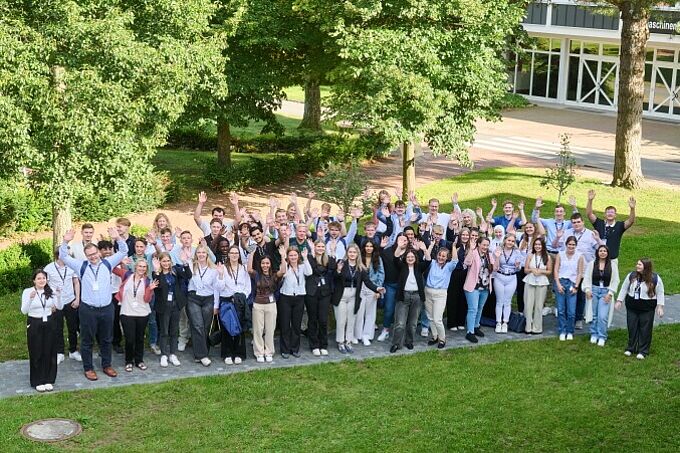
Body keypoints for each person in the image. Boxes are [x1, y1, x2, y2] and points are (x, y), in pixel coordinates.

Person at [59, 227, 128, 381]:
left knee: (106, 339)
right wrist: (65, 241)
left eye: (95, 253)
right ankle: (88, 368)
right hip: (88, 310)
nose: (93, 257)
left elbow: (124, 251)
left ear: (99, 252)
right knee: (87, 340)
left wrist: (117, 238)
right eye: (90, 255)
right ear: (86, 256)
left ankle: (107, 365)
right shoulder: (81, 266)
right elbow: (63, 256)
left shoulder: (108, 263)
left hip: (107, 308)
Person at [332, 243, 383, 353]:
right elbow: (334, 278)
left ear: (357, 254)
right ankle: (340, 342)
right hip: (341, 295)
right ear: (347, 253)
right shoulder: (341, 263)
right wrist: (338, 271)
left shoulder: (360, 267)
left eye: (354, 252)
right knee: (341, 320)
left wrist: (377, 288)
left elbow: (367, 282)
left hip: (354, 296)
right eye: (350, 252)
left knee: (351, 319)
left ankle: (348, 341)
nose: (352, 254)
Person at [22, 269, 63, 392]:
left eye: (44, 278)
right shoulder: (28, 291)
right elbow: (24, 311)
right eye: (39, 278)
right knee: (36, 351)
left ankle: (48, 379)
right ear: (34, 280)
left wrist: (59, 296)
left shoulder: (50, 291)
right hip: (35, 323)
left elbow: (59, 306)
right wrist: (30, 298)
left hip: (49, 323)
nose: (41, 280)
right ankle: (37, 380)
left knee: (49, 351)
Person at [113, 260, 158, 372]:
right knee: (129, 339)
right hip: (127, 312)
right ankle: (128, 361)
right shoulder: (126, 274)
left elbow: (146, 299)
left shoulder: (147, 281)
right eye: (140, 266)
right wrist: (120, 261)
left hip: (142, 313)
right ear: (135, 266)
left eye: (144, 267)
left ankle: (139, 360)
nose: (142, 268)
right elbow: (111, 267)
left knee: (139, 338)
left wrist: (150, 289)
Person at [615, 258, 665, 359]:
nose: (637, 266)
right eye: (637, 264)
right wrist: (619, 301)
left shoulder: (655, 278)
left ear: (646, 267)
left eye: (639, 264)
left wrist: (660, 307)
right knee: (632, 327)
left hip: (647, 307)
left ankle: (643, 350)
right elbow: (624, 288)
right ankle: (631, 348)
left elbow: (660, 293)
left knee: (645, 329)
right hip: (632, 306)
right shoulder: (632, 276)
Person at [152, 252, 192, 367]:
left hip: (175, 304)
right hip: (163, 306)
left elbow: (188, 275)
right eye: (164, 261)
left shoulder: (175, 270)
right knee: (164, 331)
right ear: (160, 262)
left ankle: (173, 354)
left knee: (174, 331)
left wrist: (185, 263)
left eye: (168, 261)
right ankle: (164, 354)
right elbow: (158, 286)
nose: (166, 263)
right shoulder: (156, 273)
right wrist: (157, 271)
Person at [187, 245, 224, 366]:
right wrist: (185, 261)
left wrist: (216, 305)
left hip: (208, 299)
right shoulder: (191, 266)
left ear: (207, 254)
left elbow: (218, 288)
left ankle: (200, 354)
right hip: (193, 298)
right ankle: (203, 355)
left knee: (205, 327)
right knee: (197, 325)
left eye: (203, 252)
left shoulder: (214, 269)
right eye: (199, 252)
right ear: (196, 254)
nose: (201, 254)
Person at [390, 237, 428, 353]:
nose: (410, 259)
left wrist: (424, 250)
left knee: (412, 323)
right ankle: (396, 343)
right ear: (405, 258)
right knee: (400, 323)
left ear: (415, 258)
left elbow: (428, 261)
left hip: (417, 297)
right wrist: (399, 246)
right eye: (408, 257)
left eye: (412, 257)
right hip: (403, 296)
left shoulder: (419, 267)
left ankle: (409, 341)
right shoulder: (402, 267)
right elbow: (395, 258)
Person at [586, 190, 636, 276]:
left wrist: (632, 209)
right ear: (604, 214)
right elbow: (589, 214)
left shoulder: (619, 226)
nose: (610, 214)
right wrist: (590, 200)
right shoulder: (599, 223)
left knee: (612, 280)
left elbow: (631, 221)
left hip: (612, 260)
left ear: (615, 215)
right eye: (608, 212)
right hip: (598, 259)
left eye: (612, 212)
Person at [215, 245, 251, 365]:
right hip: (227, 301)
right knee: (227, 328)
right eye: (232, 253)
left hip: (240, 301)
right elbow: (219, 288)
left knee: (239, 328)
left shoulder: (243, 268)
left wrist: (242, 296)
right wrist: (221, 275)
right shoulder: (223, 268)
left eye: (236, 253)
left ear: (239, 255)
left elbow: (248, 286)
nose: (234, 255)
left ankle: (239, 353)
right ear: (228, 255)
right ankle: (227, 354)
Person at [44, 249, 81, 363]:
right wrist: (50, 302)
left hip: (70, 300)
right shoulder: (49, 268)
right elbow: (45, 286)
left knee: (73, 327)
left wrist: (77, 298)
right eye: (65, 255)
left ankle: (73, 350)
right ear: (58, 255)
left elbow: (76, 282)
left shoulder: (72, 266)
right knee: (57, 328)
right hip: (56, 302)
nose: (68, 257)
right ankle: (59, 352)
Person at [277, 246, 313, 358]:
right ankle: (285, 349)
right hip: (286, 298)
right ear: (288, 256)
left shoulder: (302, 266)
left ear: (298, 256)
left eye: (295, 255)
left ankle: (295, 348)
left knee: (296, 325)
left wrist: (305, 258)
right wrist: (283, 257)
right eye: (291, 255)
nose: (293, 257)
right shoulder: (285, 266)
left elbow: (309, 272)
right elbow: (283, 273)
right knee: (285, 325)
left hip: (299, 297)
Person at [583, 245, 620, 347]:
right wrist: (587, 290)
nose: (602, 253)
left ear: (607, 253)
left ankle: (602, 336)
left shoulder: (612, 265)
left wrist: (610, 293)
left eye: (604, 251)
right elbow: (587, 277)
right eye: (600, 251)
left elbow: (615, 280)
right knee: (593, 314)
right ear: (597, 253)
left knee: (602, 316)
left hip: (605, 292)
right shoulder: (592, 264)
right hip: (594, 290)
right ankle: (594, 333)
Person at [463, 236, 498, 343]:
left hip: (485, 287)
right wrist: (471, 250)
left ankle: (476, 326)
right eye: (483, 245)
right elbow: (467, 263)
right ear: (478, 244)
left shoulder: (489, 255)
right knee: (473, 309)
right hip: (473, 286)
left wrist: (497, 258)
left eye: (487, 245)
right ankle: (470, 332)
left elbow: (495, 269)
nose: (485, 247)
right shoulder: (474, 253)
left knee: (480, 308)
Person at [423, 241, 457, 348]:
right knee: (430, 317)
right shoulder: (432, 263)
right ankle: (435, 336)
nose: (441, 258)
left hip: (440, 294)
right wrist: (431, 245)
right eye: (439, 255)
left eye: (443, 256)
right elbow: (426, 256)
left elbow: (455, 260)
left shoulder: (448, 267)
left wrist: (454, 246)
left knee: (437, 319)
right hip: (428, 291)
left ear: (447, 258)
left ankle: (442, 339)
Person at [304, 240, 336, 356]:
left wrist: (332, 251)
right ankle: (314, 345)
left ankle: (323, 344)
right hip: (312, 292)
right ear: (314, 247)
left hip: (325, 293)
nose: (321, 248)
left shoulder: (328, 258)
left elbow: (332, 267)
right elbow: (313, 270)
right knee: (312, 319)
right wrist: (312, 252)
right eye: (318, 246)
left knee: (323, 320)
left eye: (322, 246)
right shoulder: (309, 258)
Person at [247, 253, 279, 362]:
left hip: (271, 305)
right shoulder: (256, 274)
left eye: (267, 263)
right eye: (263, 263)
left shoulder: (274, 275)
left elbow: (283, 271)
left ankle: (269, 351)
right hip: (258, 304)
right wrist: (251, 254)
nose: (265, 265)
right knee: (257, 330)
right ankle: (259, 352)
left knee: (270, 329)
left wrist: (283, 256)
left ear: (270, 264)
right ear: (260, 264)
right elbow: (249, 269)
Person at [553, 236, 585, 341]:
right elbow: (556, 270)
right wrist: (558, 284)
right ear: (566, 244)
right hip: (561, 281)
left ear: (576, 245)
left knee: (571, 311)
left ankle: (570, 331)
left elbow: (580, 272)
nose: (571, 246)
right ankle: (562, 330)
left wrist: (576, 286)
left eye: (573, 245)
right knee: (561, 309)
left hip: (572, 283)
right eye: (569, 244)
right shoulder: (560, 255)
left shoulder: (580, 256)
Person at [354, 241, 385, 346]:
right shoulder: (359, 258)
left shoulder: (378, 259)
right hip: (360, 287)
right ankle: (357, 335)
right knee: (359, 312)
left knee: (370, 313)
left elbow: (381, 275)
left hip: (373, 287)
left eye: (371, 246)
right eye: (367, 246)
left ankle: (366, 336)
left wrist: (378, 290)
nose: (369, 248)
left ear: (374, 248)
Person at [493, 234, 523, 333]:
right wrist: (497, 257)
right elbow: (495, 268)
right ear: (505, 240)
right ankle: (498, 322)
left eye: (512, 241)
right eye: (509, 240)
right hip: (499, 276)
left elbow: (518, 269)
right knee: (499, 301)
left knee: (507, 301)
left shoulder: (517, 252)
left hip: (511, 277)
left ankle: (505, 322)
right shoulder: (499, 249)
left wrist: (517, 265)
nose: (510, 243)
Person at [523, 237, 552, 334]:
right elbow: (525, 270)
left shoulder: (547, 257)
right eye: (536, 244)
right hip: (530, 281)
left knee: (539, 306)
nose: (537, 246)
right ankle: (528, 327)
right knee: (528, 304)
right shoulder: (530, 256)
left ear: (543, 246)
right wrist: (532, 270)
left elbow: (549, 271)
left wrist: (541, 271)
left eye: (539, 245)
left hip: (542, 282)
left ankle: (537, 327)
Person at [376, 234, 402, 342]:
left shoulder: (409, 252)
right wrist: (381, 247)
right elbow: (377, 257)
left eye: (404, 240)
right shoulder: (388, 251)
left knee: (401, 310)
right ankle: (385, 330)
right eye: (400, 240)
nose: (402, 242)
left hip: (404, 286)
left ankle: (400, 331)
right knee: (389, 309)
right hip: (390, 284)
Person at [446, 227, 472, 331]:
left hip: (466, 274)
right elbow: (452, 259)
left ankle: (461, 321)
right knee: (453, 297)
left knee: (463, 298)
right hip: (455, 273)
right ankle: (451, 322)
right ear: (460, 236)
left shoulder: (470, 247)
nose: (465, 237)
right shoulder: (455, 245)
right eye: (463, 235)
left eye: (467, 235)